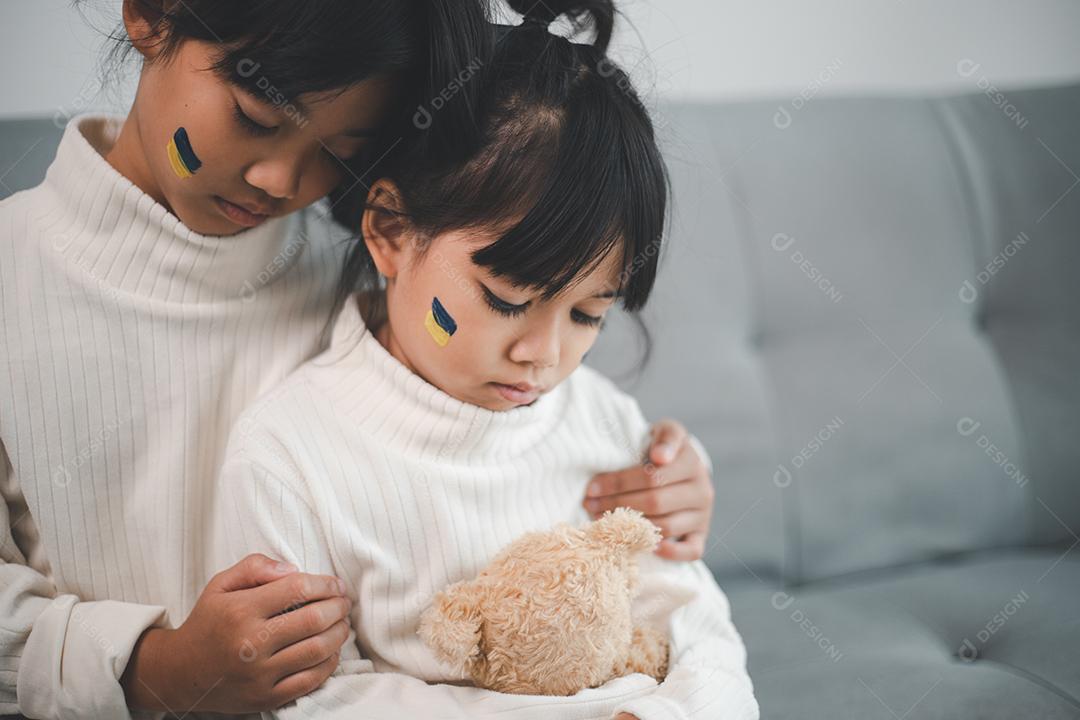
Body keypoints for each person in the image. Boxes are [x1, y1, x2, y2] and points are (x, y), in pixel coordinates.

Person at [0, 0, 717, 717]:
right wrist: (154, 667)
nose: (282, 181)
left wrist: (665, 490)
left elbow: (520, 432)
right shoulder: (15, 281)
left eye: (340, 150)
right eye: (254, 115)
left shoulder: (382, 279)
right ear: (151, 15)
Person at [212, 2, 757, 718]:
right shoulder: (290, 455)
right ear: (390, 232)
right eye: (504, 299)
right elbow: (313, 697)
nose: (543, 356)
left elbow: (696, 626)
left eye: (589, 313)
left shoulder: (601, 422)